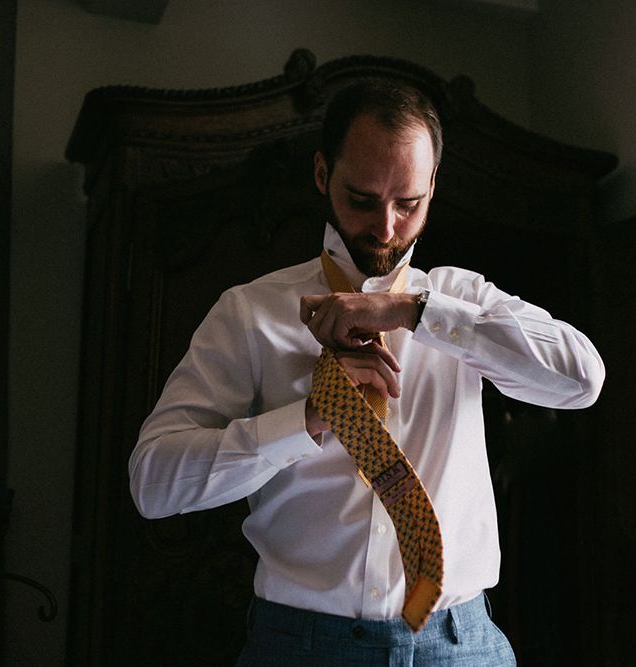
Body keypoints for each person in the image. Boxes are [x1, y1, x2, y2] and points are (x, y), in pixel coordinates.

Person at [128, 80, 604, 666]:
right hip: (300, 648)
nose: (385, 228)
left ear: (433, 187)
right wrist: (302, 422)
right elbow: (153, 484)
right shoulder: (250, 313)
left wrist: (414, 312)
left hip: (458, 647)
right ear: (323, 174)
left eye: (409, 204)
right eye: (361, 198)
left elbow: (583, 379)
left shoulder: (462, 301)